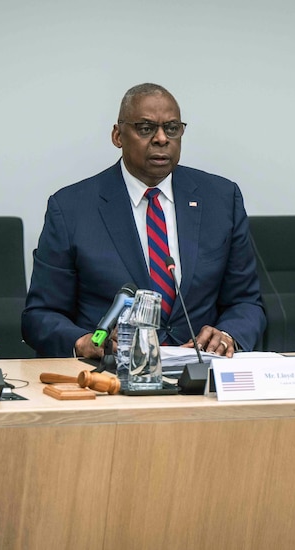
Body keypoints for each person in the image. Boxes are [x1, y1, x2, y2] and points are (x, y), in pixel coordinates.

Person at [22, 83, 266, 358]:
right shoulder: (71, 208)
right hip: (109, 379)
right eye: (146, 128)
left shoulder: (221, 199)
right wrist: (82, 342)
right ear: (118, 135)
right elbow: (40, 316)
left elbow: (246, 302)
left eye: (172, 128)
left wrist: (227, 335)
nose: (162, 139)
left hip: (201, 373)